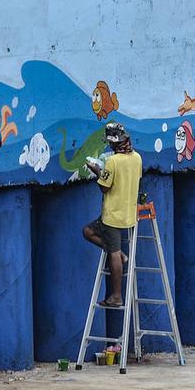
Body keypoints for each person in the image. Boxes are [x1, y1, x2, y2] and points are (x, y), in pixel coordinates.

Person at [81, 122, 142, 308]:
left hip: (112, 216)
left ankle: (116, 295)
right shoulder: (137, 158)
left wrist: (96, 170)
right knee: (106, 244)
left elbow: (104, 187)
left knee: (90, 234)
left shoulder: (113, 162)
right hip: (129, 214)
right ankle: (119, 254)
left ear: (114, 143)